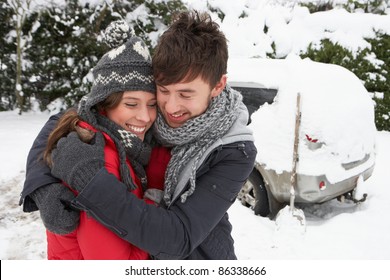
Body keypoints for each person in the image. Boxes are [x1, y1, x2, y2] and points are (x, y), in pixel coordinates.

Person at [21, 10, 257, 259]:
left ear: (218, 86)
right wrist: (43, 186)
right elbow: (70, 119)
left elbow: (179, 238)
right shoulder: (151, 114)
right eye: (163, 91)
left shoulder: (234, 150)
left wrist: (88, 179)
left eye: (186, 94)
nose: (171, 107)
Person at [24, 20, 161, 259]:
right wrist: (154, 204)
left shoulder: (123, 144)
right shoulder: (96, 161)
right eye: (131, 103)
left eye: (152, 104)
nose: (145, 116)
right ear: (103, 104)